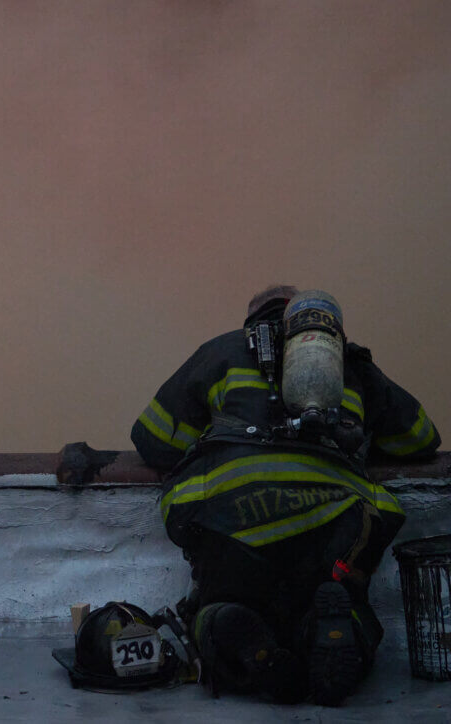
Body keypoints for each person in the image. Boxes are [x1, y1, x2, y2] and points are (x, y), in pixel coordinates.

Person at [131, 285, 440, 706]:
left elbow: (152, 439)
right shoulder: (350, 362)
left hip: (230, 525)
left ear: (252, 320)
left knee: (215, 603)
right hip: (332, 526)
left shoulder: (221, 352)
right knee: (345, 597)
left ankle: (232, 628)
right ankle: (336, 623)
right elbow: (421, 439)